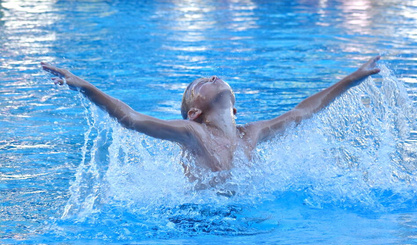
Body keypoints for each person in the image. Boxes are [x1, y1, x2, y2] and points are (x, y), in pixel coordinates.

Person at [42, 56, 380, 181]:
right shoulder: (192, 133)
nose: (211, 76)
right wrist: (83, 85)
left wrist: (351, 79)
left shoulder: (252, 133)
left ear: (234, 109)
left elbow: (302, 112)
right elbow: (130, 118)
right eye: (199, 84)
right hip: (195, 223)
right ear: (195, 112)